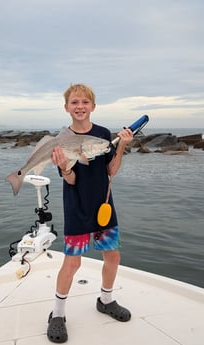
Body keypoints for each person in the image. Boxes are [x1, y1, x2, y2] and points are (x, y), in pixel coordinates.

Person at [47, 83, 133, 343]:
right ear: (66, 108)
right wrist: (64, 168)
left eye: (85, 102)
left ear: (93, 106)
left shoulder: (103, 133)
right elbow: (71, 180)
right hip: (77, 208)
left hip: (104, 207)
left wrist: (121, 146)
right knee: (72, 263)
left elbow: (111, 172)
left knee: (113, 256)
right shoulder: (60, 141)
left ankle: (105, 301)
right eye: (74, 102)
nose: (80, 106)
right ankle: (57, 314)